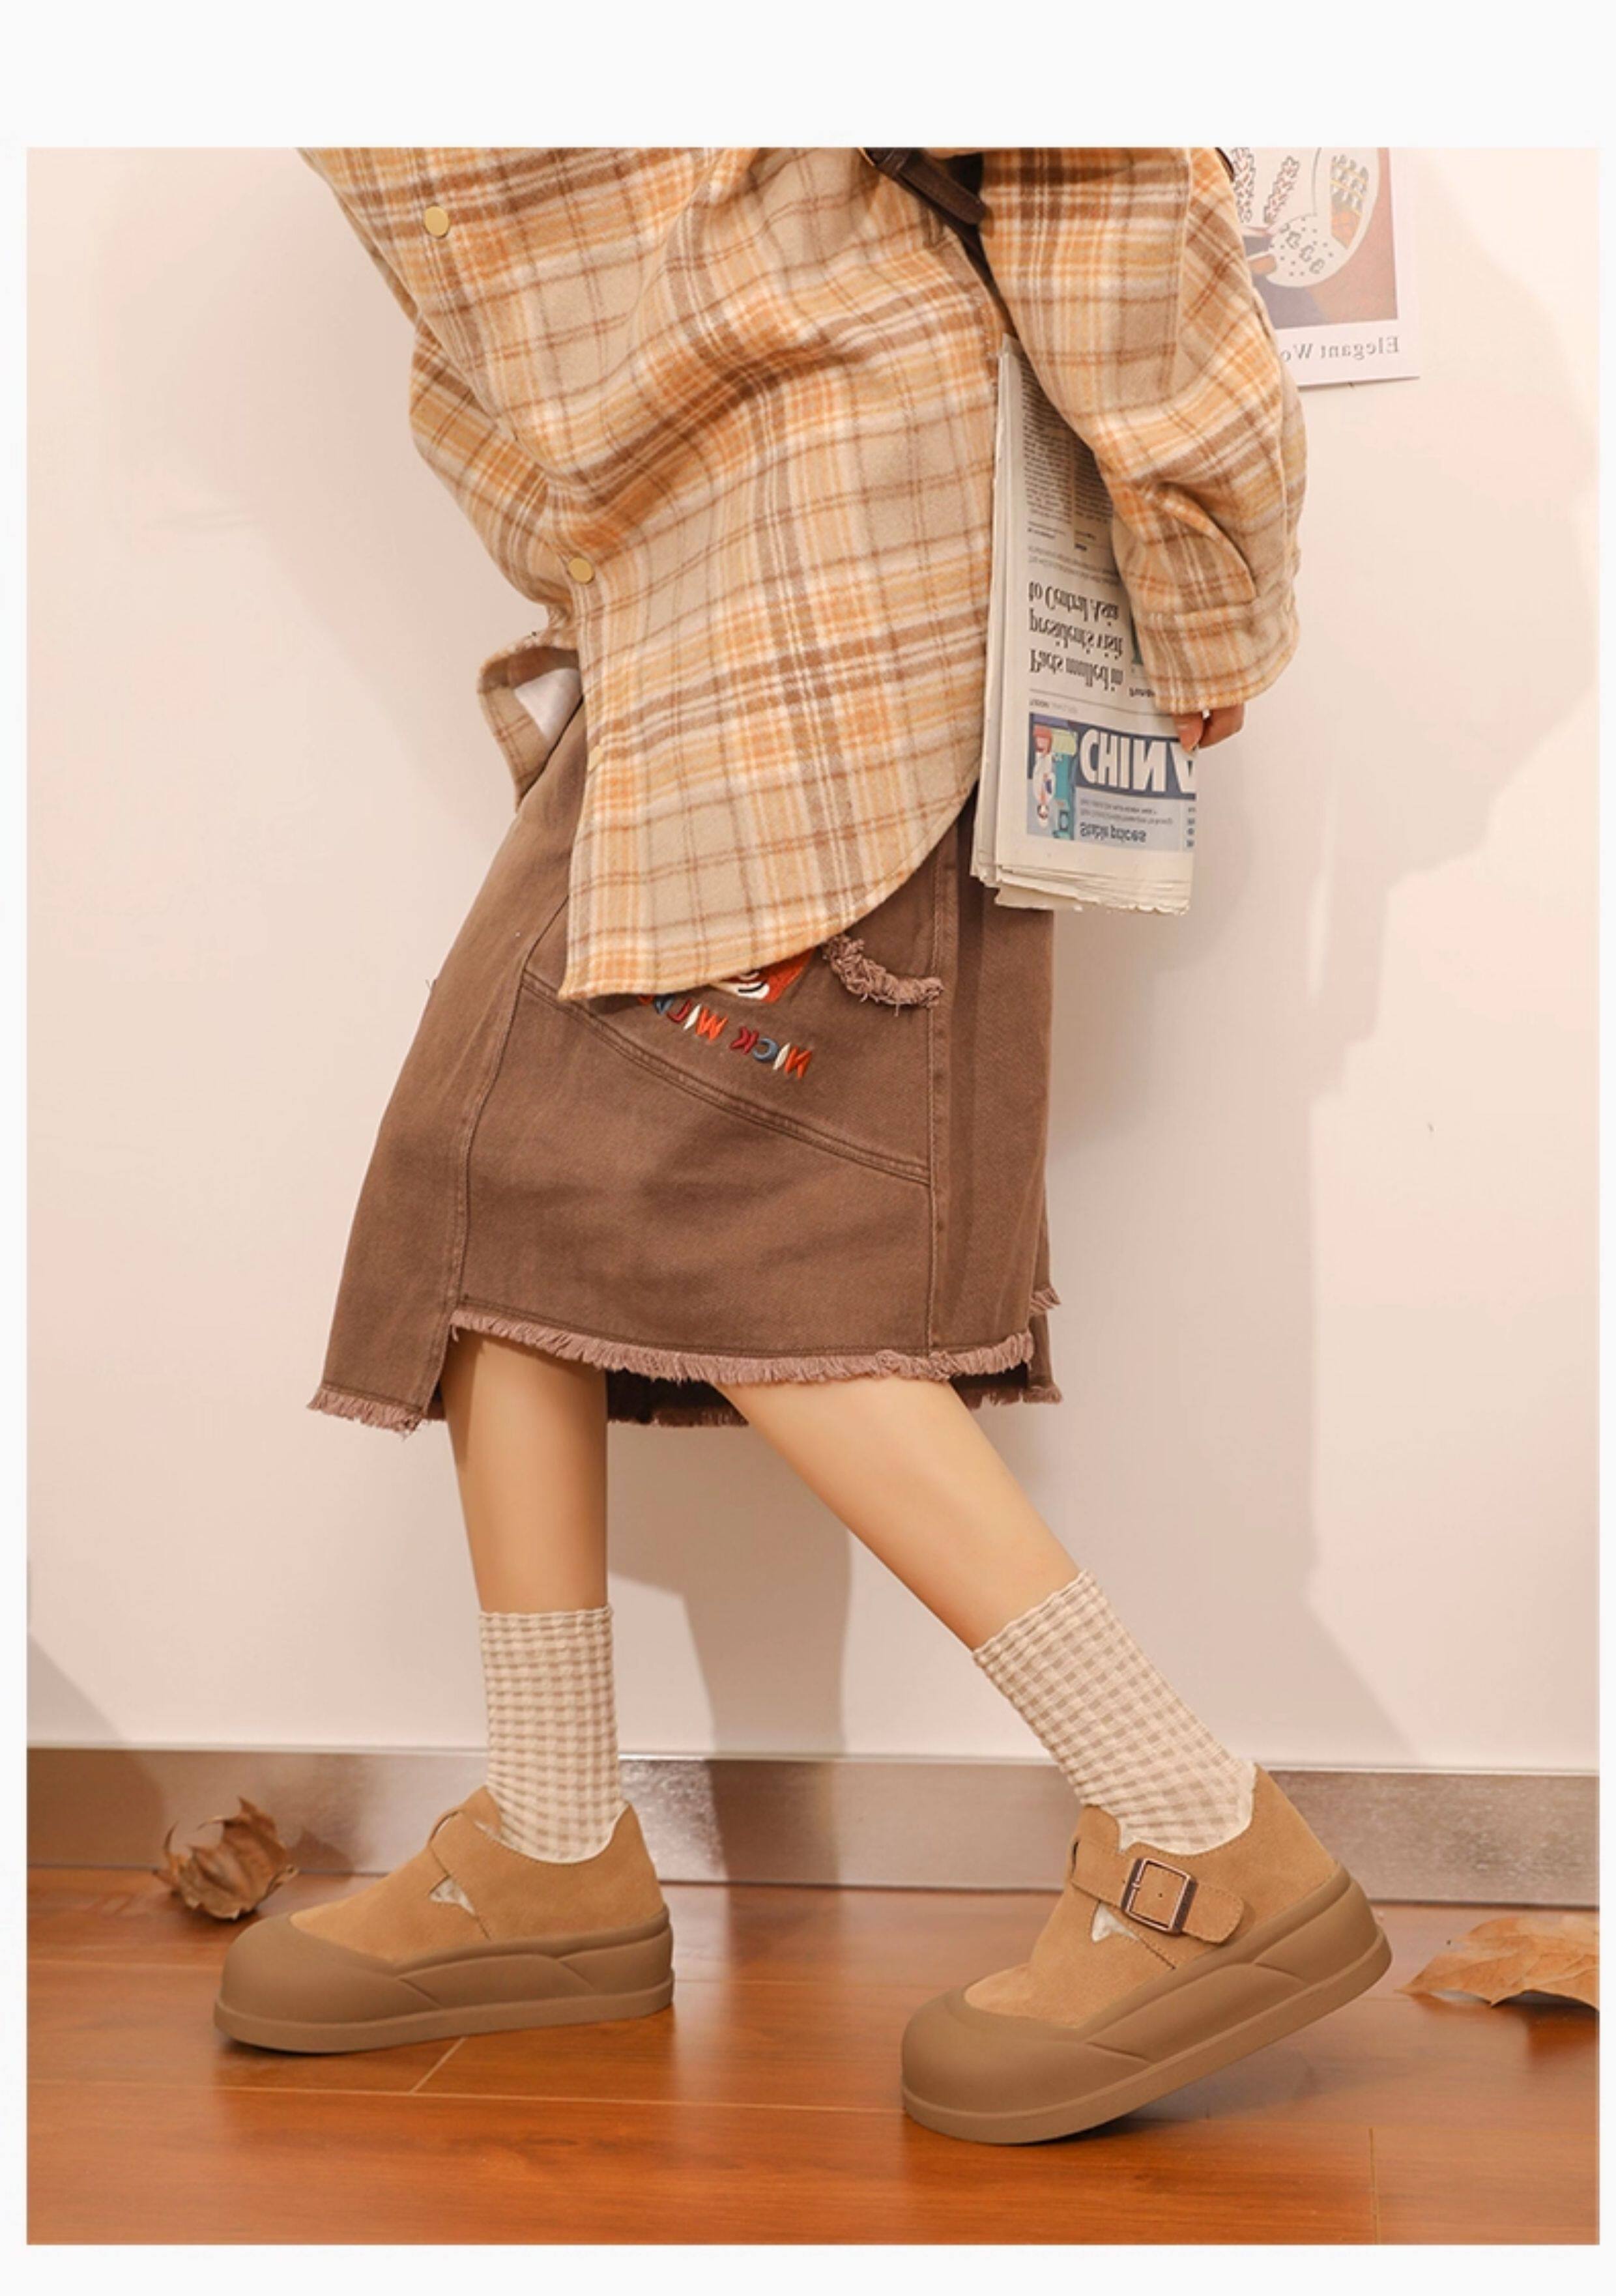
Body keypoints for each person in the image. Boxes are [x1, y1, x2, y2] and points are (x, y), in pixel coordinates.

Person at [214, 147, 1389, 2142]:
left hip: (848, 554)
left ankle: (1197, 1830)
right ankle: (558, 1846)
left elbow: (1083, 134)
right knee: (483, 1168)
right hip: (677, 599)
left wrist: (1200, 568)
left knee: (748, 1217)